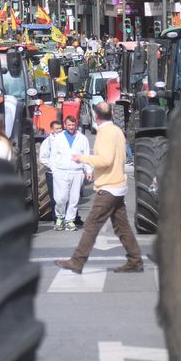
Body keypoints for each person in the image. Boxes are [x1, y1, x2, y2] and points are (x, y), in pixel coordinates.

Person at [54, 101, 143, 274]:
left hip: (108, 186)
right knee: (122, 227)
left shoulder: (105, 133)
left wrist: (83, 158)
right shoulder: (117, 131)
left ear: (96, 116)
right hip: (118, 184)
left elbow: (105, 160)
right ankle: (135, 260)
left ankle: (77, 261)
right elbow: (121, 157)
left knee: (92, 224)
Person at [41, 115, 91, 230]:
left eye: (73, 125)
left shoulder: (82, 138)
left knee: (74, 199)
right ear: (65, 125)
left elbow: (86, 156)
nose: (71, 127)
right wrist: (54, 169)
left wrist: (88, 170)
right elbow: (53, 156)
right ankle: (60, 218)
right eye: (69, 125)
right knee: (60, 198)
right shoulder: (58, 138)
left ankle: (70, 220)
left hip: (77, 171)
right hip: (61, 172)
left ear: (76, 124)